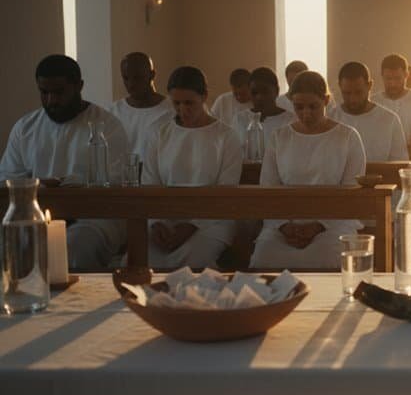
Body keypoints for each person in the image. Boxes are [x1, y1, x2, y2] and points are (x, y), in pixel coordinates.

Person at [0, 55, 129, 268]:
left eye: (59, 92)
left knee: (77, 245)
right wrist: (38, 186)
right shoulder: (25, 128)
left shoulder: (107, 126)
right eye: (44, 92)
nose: (51, 100)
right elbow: (7, 179)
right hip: (34, 216)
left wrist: (68, 187)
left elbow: (116, 180)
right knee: (10, 240)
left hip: (93, 218)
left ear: (79, 86)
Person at [250, 71, 366, 269]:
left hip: (333, 222)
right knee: (264, 256)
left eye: (313, 106)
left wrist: (318, 225)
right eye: (299, 107)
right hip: (284, 223)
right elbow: (268, 189)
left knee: (328, 257)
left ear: (326, 100)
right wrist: (284, 226)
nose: (306, 114)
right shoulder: (280, 137)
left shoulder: (347, 137)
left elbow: (352, 193)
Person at [143, 66, 243, 269]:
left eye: (189, 103)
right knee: (138, 262)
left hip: (213, 220)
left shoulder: (226, 136)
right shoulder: (159, 133)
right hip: (165, 220)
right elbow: (149, 183)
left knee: (194, 263)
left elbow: (226, 190)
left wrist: (192, 225)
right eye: (176, 103)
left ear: (204, 96)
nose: (183, 110)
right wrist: (156, 223)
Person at [331, 61, 409, 162]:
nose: (353, 99)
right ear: (340, 86)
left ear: (369, 85)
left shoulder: (390, 120)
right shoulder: (330, 118)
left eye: (358, 92)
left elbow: (399, 164)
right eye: (347, 93)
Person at [109, 52, 174, 157]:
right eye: (126, 78)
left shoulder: (173, 110)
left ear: (152, 75)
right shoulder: (113, 112)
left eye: (137, 78)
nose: (131, 84)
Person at [373, 54, 411, 149]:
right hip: (378, 160)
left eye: (397, 78)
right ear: (382, 76)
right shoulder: (373, 102)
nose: (392, 83)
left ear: (406, 75)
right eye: (388, 78)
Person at [233, 67, 296, 155]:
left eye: (265, 92)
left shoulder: (290, 121)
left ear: (277, 91)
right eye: (254, 93)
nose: (259, 97)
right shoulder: (240, 119)